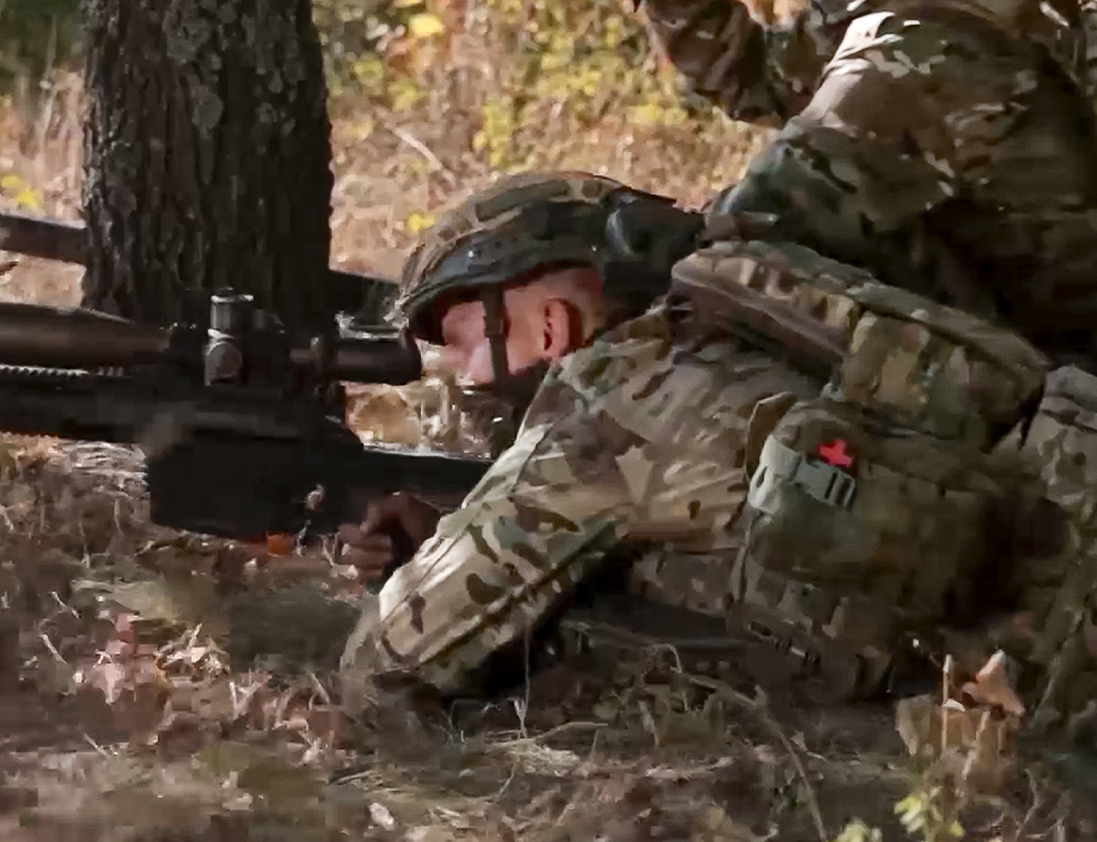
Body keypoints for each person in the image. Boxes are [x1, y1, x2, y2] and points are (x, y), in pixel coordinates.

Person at [334, 170, 1097, 744]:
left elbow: (386, 668)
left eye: (464, 339)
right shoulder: (738, 319)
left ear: (551, 326)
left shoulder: (604, 416)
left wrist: (398, 590)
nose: (463, 375)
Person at [634, 0, 1097, 364]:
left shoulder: (918, 52)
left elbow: (740, 231)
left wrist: (608, 250)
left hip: (1055, 402)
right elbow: (760, 78)